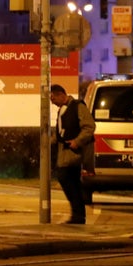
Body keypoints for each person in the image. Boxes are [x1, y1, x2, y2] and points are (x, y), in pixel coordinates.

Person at [49, 84, 95, 225]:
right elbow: (61, 130)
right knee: (73, 182)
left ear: (61, 95)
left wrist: (78, 141)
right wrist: (50, 142)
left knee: (64, 177)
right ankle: (78, 215)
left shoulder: (77, 107)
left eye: (53, 98)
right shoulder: (62, 110)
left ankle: (78, 214)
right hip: (65, 150)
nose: (52, 102)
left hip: (73, 151)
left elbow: (89, 126)